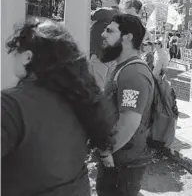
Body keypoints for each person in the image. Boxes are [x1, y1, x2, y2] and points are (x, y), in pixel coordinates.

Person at [2, 17, 115, 195]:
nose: (11, 57)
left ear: (27, 56)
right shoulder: (81, 99)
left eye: (14, 51)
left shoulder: (9, 106)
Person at [96, 14, 154, 195]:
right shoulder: (119, 66)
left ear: (127, 37)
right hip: (116, 158)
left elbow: (129, 122)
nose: (103, 35)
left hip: (123, 164)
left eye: (110, 31)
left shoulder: (133, 74)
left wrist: (106, 152)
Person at [90, 0, 122, 91]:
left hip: (100, 56)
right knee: (107, 88)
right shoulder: (122, 14)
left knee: (96, 87)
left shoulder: (105, 11)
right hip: (113, 57)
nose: (102, 0)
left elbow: (85, 16)